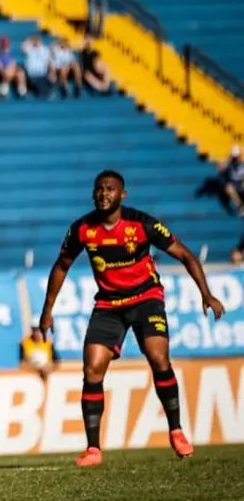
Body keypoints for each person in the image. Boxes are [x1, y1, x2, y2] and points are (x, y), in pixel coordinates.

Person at [39, 170, 223, 466]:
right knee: (92, 369)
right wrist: (47, 311)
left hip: (146, 299)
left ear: (122, 195)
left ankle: (176, 432)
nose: (103, 194)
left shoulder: (142, 223)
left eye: (110, 189)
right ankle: (93, 450)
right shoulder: (82, 229)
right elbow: (61, 266)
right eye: (98, 189)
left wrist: (206, 293)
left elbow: (187, 255)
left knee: (158, 358)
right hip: (109, 304)